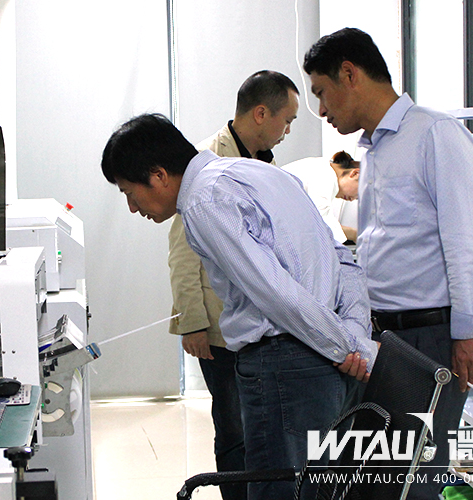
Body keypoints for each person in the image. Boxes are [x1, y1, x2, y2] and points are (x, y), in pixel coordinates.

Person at [102, 113, 376, 500]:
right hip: (329, 362)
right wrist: (354, 336)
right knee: (321, 489)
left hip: (286, 365)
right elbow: (341, 257)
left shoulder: (203, 202)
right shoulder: (263, 174)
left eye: (130, 193)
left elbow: (274, 291)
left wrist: (347, 347)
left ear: (159, 175)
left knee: (280, 490)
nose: (133, 208)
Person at [304, 27, 473, 499]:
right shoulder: (374, 148)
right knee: (377, 478)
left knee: (413, 481)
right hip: (382, 336)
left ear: (349, 74)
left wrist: (472, 330)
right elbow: (377, 245)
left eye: (322, 93)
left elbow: (468, 239)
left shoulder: (434, 135)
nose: (322, 110)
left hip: (430, 337)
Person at [168, 70, 299, 500]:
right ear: (261, 113)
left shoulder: (266, 163)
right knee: (233, 427)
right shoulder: (203, 162)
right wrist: (192, 322)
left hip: (264, 324)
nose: (287, 130)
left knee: (265, 427)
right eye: (286, 120)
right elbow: (183, 252)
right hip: (220, 328)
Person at [283, 150, 360, 243]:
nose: (352, 199)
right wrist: (355, 234)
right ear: (355, 174)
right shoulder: (324, 176)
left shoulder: (322, 167)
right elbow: (321, 226)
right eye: (359, 194)